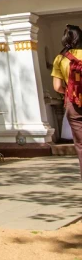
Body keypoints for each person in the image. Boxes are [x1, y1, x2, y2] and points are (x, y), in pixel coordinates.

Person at [51, 24, 82, 178]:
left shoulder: (60, 58)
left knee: (81, 145)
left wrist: (70, 92)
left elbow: (57, 87)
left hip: (74, 104)